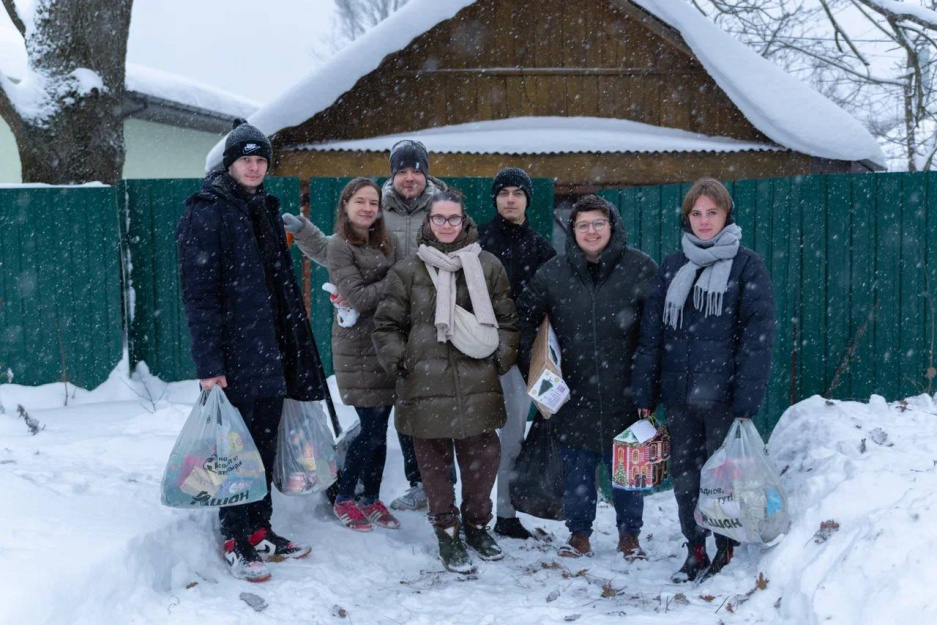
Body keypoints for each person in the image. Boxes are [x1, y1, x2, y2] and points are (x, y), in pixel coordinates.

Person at [176, 118, 325, 582]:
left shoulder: (263, 209)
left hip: (271, 351)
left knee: (262, 444)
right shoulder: (208, 210)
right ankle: (232, 536)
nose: (255, 167)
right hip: (235, 356)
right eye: (247, 159)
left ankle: (260, 528)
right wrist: (210, 365)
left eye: (261, 160)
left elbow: (281, 288)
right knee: (232, 449)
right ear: (231, 164)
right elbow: (199, 295)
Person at [283, 139, 449, 512]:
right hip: (381, 326)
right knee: (384, 413)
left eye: (416, 170)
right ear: (393, 174)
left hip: (427, 322)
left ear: (426, 173)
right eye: (402, 170)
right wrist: (306, 233)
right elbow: (337, 251)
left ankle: (427, 483)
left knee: (419, 409)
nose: (409, 178)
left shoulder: (443, 209)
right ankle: (372, 489)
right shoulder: (376, 208)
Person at [632, 177, 775, 583]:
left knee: (724, 480)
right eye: (696, 213)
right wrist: (646, 389)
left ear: (727, 215)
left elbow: (757, 337)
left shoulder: (748, 265)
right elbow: (652, 335)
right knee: (686, 477)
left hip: (725, 399)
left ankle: (726, 551)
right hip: (679, 398)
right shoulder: (674, 266)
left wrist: (748, 395)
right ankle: (695, 548)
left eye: (712, 212)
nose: (704, 220)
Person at [372, 190, 519, 574]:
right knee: (434, 468)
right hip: (424, 385)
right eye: (439, 218)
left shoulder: (488, 266)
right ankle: (447, 532)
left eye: (454, 218)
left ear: (464, 220)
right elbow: (386, 325)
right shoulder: (407, 271)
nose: (447, 225)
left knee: (483, 461)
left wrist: (498, 360)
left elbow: (508, 321)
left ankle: (475, 525)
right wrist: (402, 362)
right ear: (428, 222)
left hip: (477, 384)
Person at [517, 195, 657, 561]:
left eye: (598, 223)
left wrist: (648, 381)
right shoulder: (553, 273)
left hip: (626, 391)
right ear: (572, 230)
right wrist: (535, 370)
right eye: (583, 225)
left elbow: (656, 331)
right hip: (573, 392)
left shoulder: (640, 267)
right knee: (578, 470)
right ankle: (579, 533)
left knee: (627, 470)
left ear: (612, 227)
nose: (591, 231)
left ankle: (630, 534)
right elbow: (524, 322)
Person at [316, 177, 404, 532]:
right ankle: (344, 497)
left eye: (373, 202)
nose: (368, 208)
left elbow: (404, 286)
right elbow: (360, 298)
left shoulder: (388, 241)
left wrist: (395, 282)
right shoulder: (339, 246)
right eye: (360, 202)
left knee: (381, 429)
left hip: (387, 343)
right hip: (357, 349)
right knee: (370, 428)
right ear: (346, 206)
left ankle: (371, 498)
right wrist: (396, 279)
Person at [477, 167, 556, 540]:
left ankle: (505, 514)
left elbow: (553, 303)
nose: (510, 199)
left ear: (527, 200)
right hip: (474, 353)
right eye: (504, 192)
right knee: (472, 438)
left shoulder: (541, 248)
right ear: (495, 199)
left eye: (518, 193)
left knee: (511, 438)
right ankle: (470, 514)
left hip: (518, 358)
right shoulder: (475, 240)